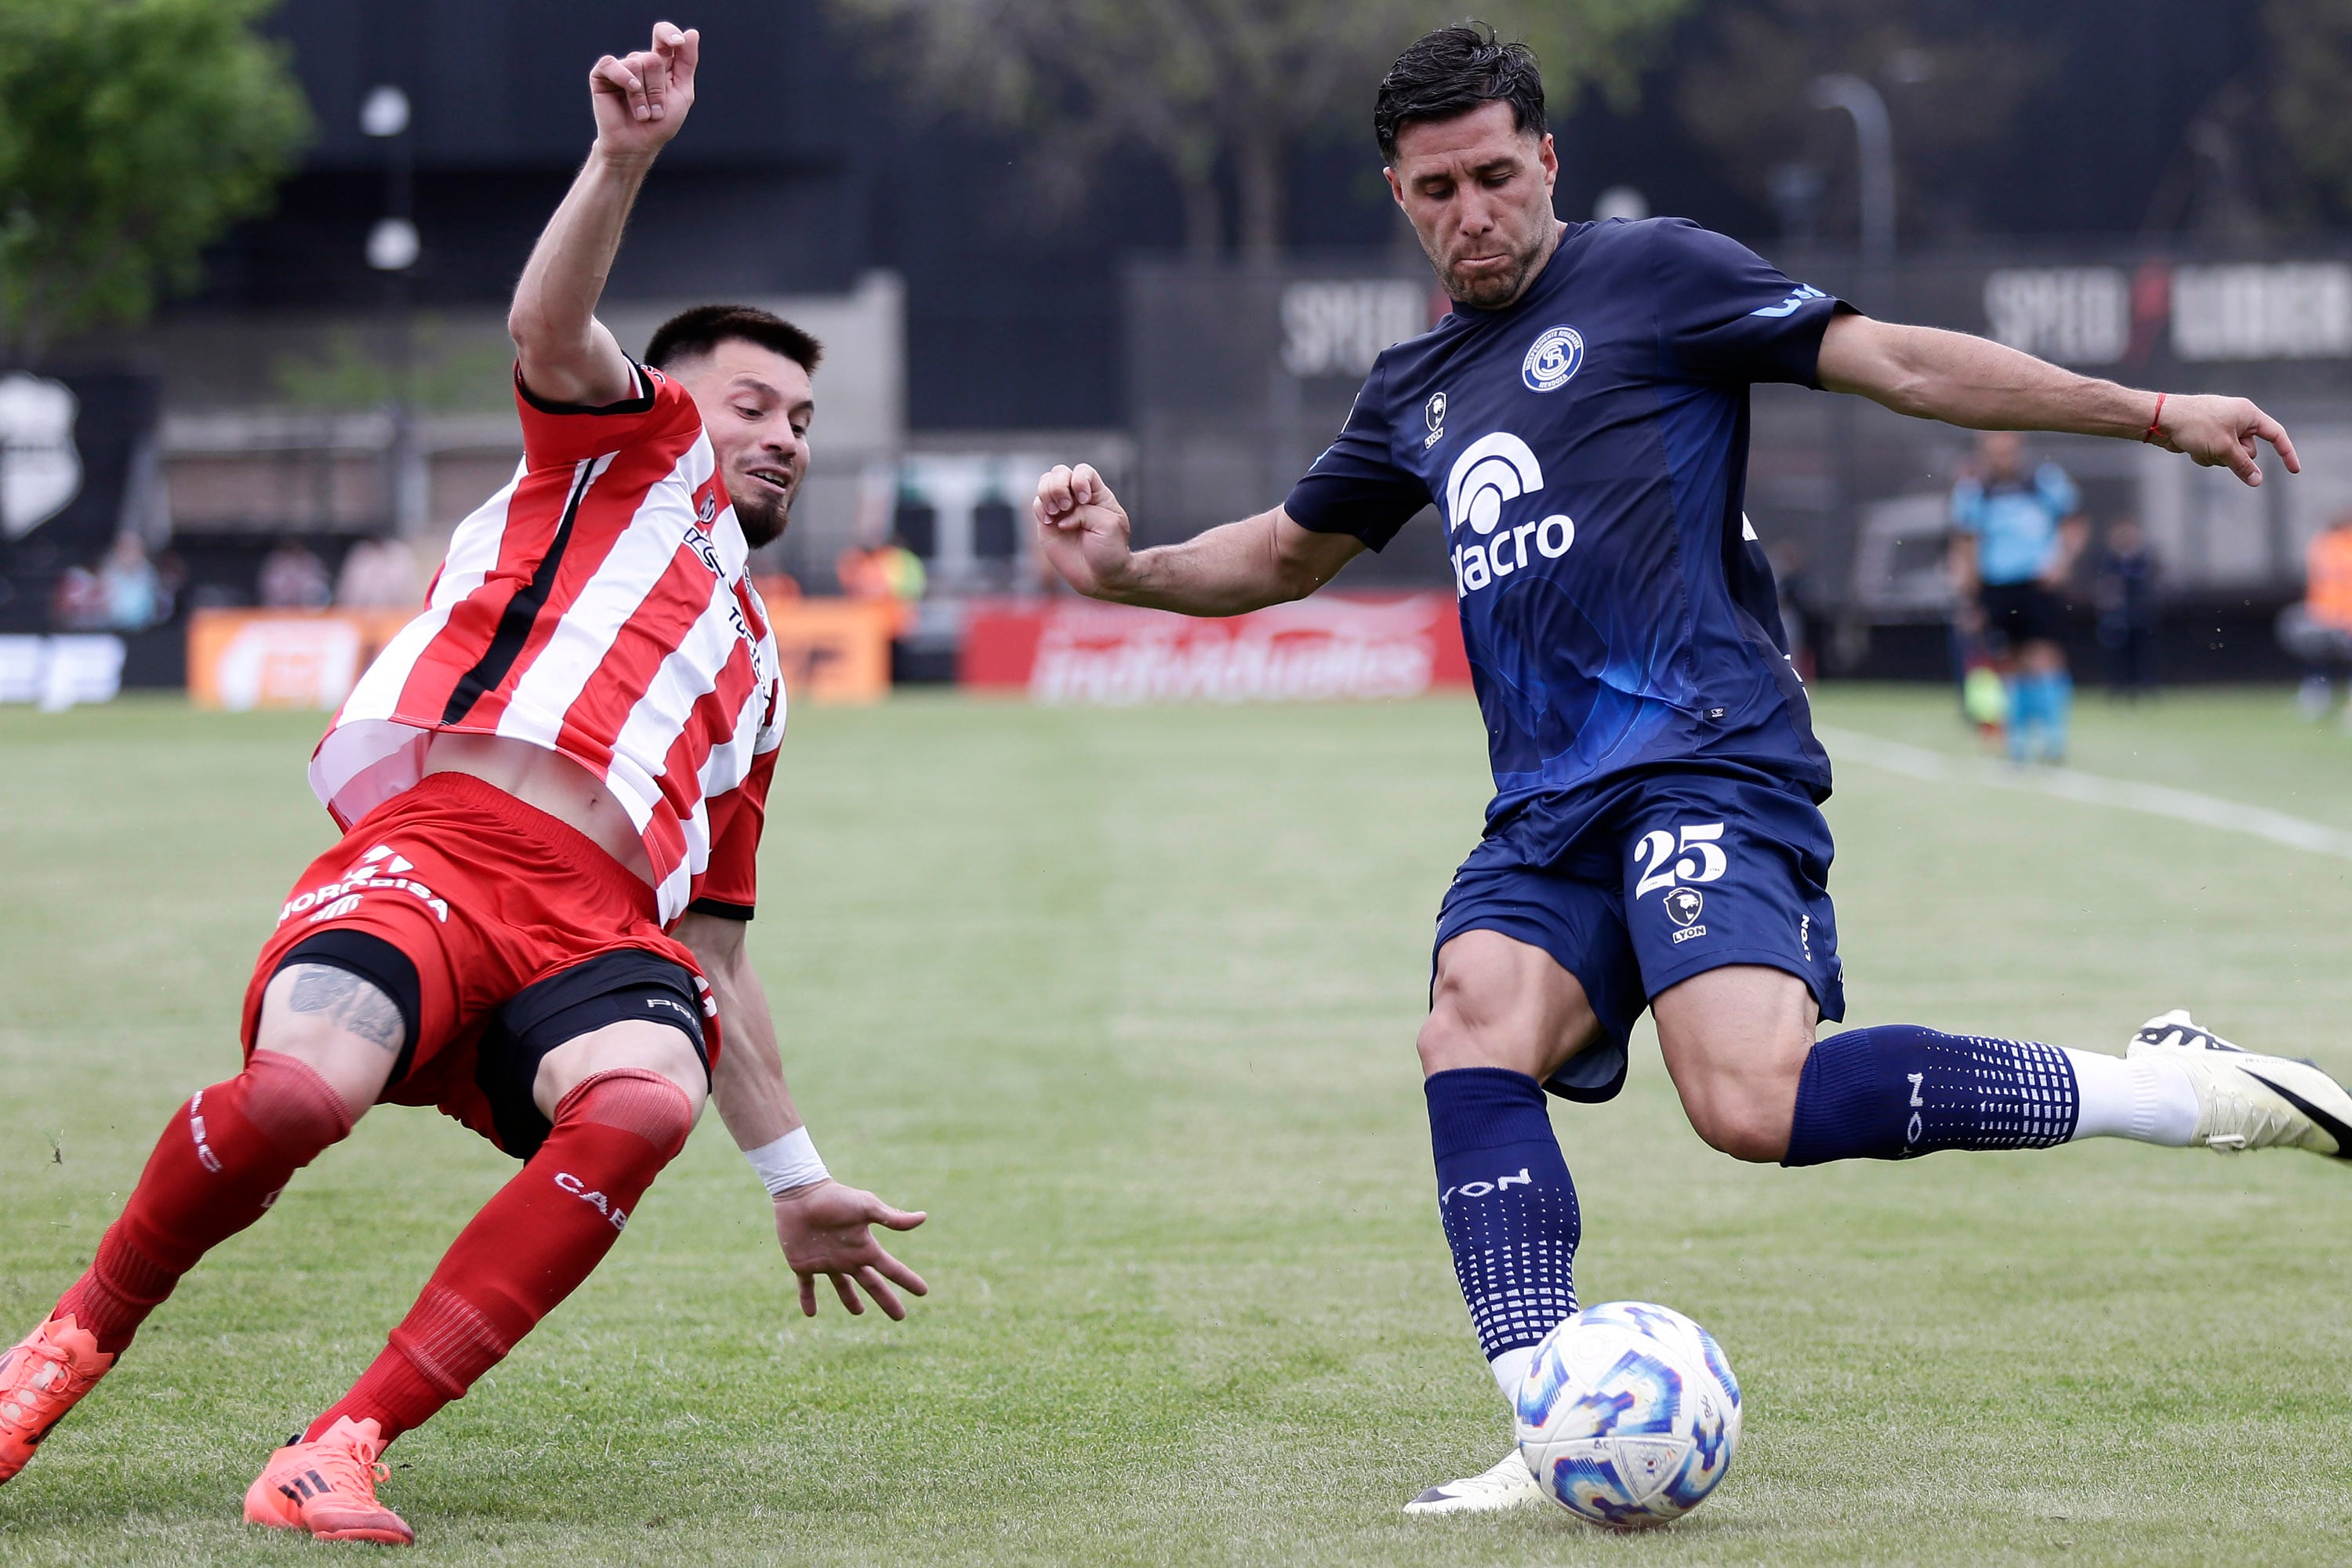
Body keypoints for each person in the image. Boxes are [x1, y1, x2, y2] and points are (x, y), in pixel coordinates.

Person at [1031, 24, 2348, 1517]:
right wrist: (1127, 568)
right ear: (1398, 196)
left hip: (1708, 756)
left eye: (1494, 175)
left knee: (1749, 1103)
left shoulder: (1656, 275)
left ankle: (2178, 1089)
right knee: (1471, 1034)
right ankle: (1551, 1416)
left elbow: (1903, 364)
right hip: (1545, 801)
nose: (1471, 212)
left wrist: (2157, 414)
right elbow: (1280, 552)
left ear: (1545, 160)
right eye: (1435, 189)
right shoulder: (1414, 392)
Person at [0, 24, 925, 1545]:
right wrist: (622, 161)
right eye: (758, 401)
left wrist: (795, 1173)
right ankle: (62, 1345)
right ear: (677, 390)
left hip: (596, 927)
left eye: (805, 421)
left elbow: (717, 954)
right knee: (301, 1093)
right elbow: (551, 331)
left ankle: (342, 1442)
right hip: (443, 848)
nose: (783, 436)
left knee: (645, 1094)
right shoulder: (630, 453)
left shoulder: (758, 676)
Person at [1949, 431, 2088, 763]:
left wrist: (2061, 561)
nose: (2002, 458)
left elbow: (2074, 523)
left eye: (2008, 451)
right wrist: (1970, 597)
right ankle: (2019, 740)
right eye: (1995, 452)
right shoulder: (1974, 490)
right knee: (2006, 662)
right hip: (1997, 587)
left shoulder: (2044, 482)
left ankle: (2054, 736)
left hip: (2037, 586)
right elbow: (1965, 544)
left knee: (2044, 657)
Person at [2278, 513, 2352, 724]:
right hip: (2327, 614)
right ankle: (2316, 692)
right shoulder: (2323, 545)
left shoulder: (2328, 545)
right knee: (2316, 650)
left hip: (2342, 614)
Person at [2092, 515, 2161, 699]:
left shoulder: (2144, 557)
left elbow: (2151, 582)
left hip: (2140, 614)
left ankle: (2145, 687)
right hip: (2116, 616)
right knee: (2117, 656)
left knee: (2143, 654)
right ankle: (2118, 689)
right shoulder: (2107, 559)